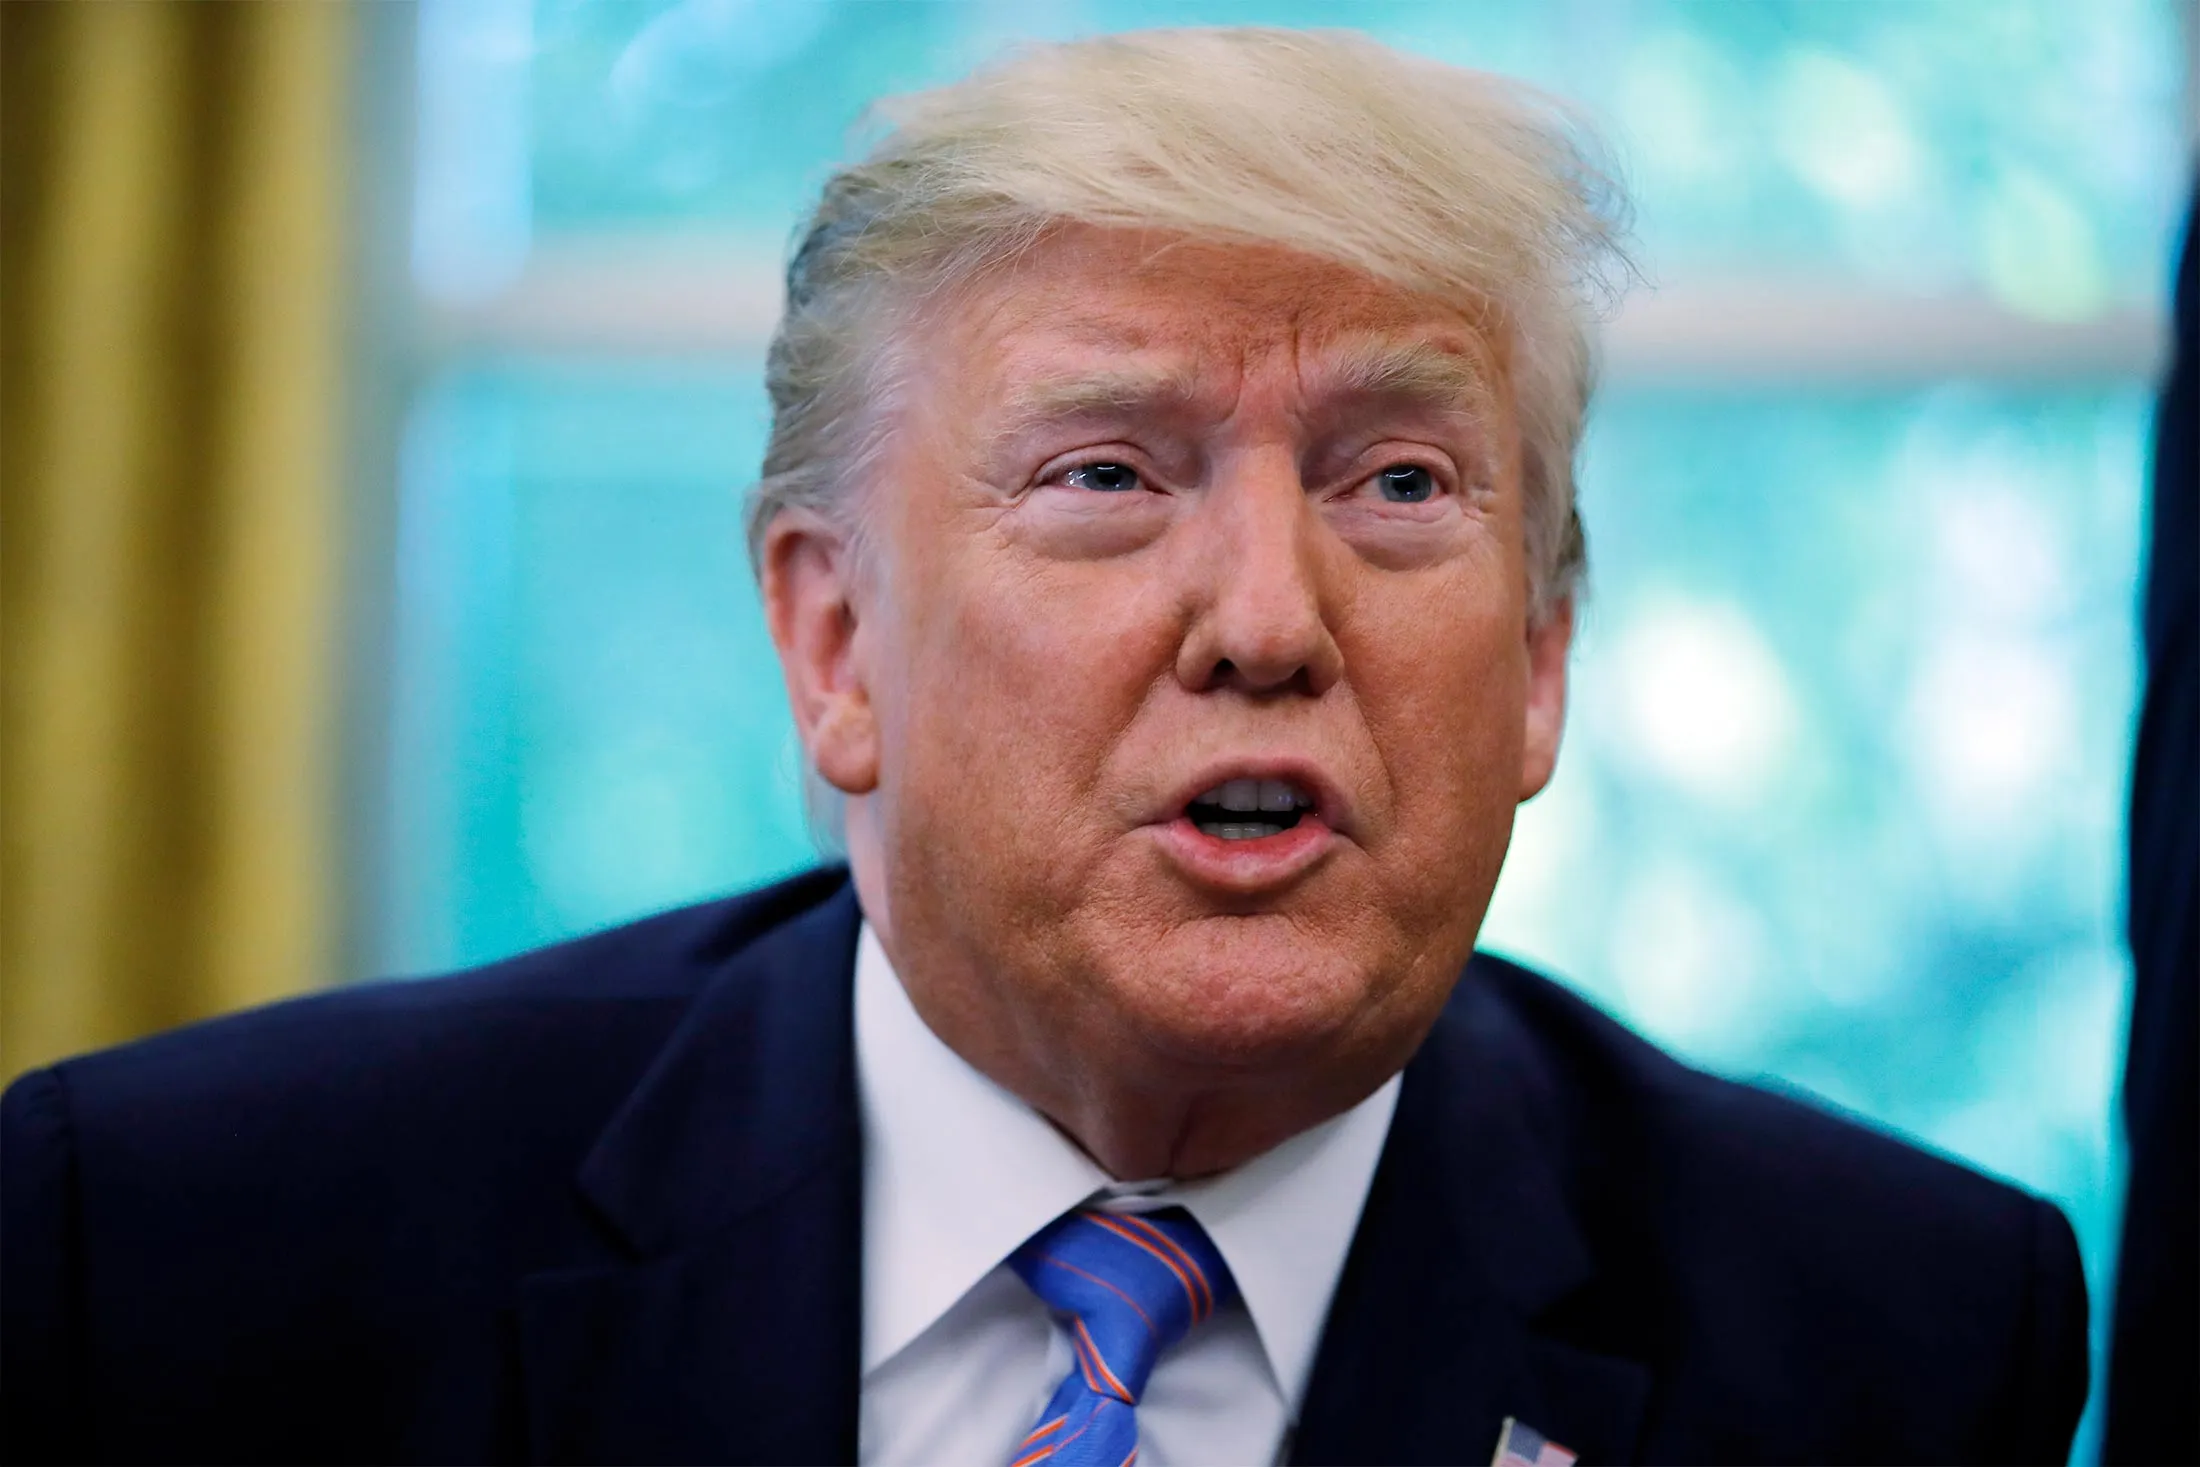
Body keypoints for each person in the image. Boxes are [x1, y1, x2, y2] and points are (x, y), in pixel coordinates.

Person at [1, 29, 2087, 1466]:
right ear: (834, 642)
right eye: (1103, 474)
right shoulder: (193, 1251)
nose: (1269, 620)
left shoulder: (1879, 1330)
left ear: (1537, 654)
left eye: (1395, 486)